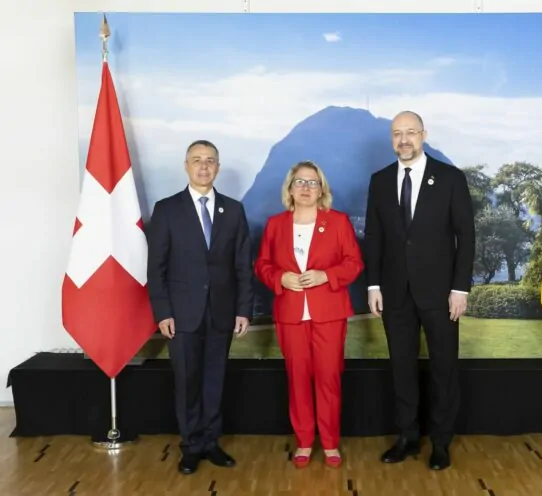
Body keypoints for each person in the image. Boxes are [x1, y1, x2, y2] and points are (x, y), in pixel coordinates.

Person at [363, 111, 475, 470]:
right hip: (394, 292)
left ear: (423, 135)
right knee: (402, 368)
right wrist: (374, 284)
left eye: (410, 132)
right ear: (391, 138)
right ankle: (407, 437)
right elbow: (374, 236)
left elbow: (466, 236)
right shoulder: (380, 181)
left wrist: (460, 288)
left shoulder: (450, 178)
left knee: (444, 368)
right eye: (397, 133)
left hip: (441, 293)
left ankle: (441, 442)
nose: (404, 140)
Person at [146, 139, 254, 475]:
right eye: (197, 160)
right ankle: (191, 446)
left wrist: (243, 309)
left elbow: (243, 265)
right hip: (181, 315)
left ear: (217, 167)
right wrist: (163, 312)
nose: (203, 166)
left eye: (209, 160)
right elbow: (156, 268)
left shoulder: (233, 210)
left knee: (214, 380)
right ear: (186, 166)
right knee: (187, 382)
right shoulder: (167, 209)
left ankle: (211, 442)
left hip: (222, 311)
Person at [254, 160, 364, 469]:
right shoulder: (275, 225)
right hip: (290, 314)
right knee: (298, 379)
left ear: (321, 190)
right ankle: (304, 441)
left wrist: (325, 275)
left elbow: (354, 263)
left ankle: (329, 443)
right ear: (289, 189)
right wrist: (280, 278)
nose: (305, 187)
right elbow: (262, 265)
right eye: (299, 182)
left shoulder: (338, 222)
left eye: (312, 182)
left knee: (328, 378)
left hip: (328, 312)